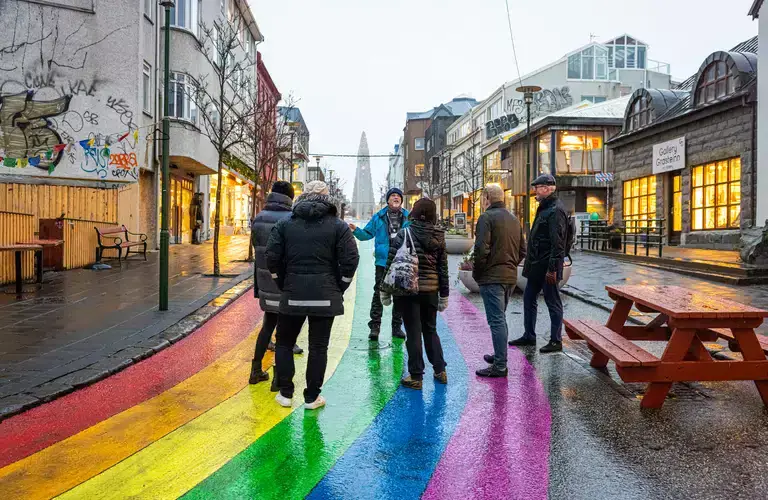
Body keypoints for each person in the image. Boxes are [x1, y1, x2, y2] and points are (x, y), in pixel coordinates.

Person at [266, 181, 359, 409]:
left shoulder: (285, 224)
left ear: (303, 196)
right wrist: (340, 286)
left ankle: (286, 394)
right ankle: (312, 397)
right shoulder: (338, 226)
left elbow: (272, 257)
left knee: (285, 342)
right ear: (328, 198)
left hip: (293, 293)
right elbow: (351, 259)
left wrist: (282, 282)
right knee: (319, 347)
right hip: (325, 296)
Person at [381, 198, 449, 390]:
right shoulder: (440, 236)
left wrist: (384, 290)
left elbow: (390, 263)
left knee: (413, 333)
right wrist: (444, 294)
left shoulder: (404, 233)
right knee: (430, 329)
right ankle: (440, 370)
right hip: (431, 291)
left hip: (408, 291)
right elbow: (443, 268)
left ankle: (416, 376)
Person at [509, 174, 568, 354]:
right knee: (528, 298)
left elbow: (558, 244)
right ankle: (529, 335)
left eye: (538, 187)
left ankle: (556, 340)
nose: (535, 191)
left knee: (552, 301)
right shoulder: (545, 208)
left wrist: (552, 269)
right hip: (536, 264)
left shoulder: (555, 210)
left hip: (546, 266)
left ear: (548, 188)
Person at [472, 184, 525, 378]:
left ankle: (500, 365)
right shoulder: (513, 219)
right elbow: (523, 251)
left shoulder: (486, 218)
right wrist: (510, 265)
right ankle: (499, 355)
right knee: (499, 318)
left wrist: (478, 273)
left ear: (487, 198)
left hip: (492, 277)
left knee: (496, 320)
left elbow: (480, 250)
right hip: (509, 276)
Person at [349, 188, 409, 341]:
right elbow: (367, 234)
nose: (396, 198)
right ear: (388, 200)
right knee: (378, 294)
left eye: (398, 196)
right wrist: (356, 231)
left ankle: (396, 327)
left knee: (400, 295)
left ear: (401, 200)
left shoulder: (409, 217)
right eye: (393, 196)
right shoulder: (379, 216)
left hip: (401, 261)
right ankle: (375, 327)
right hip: (383, 261)